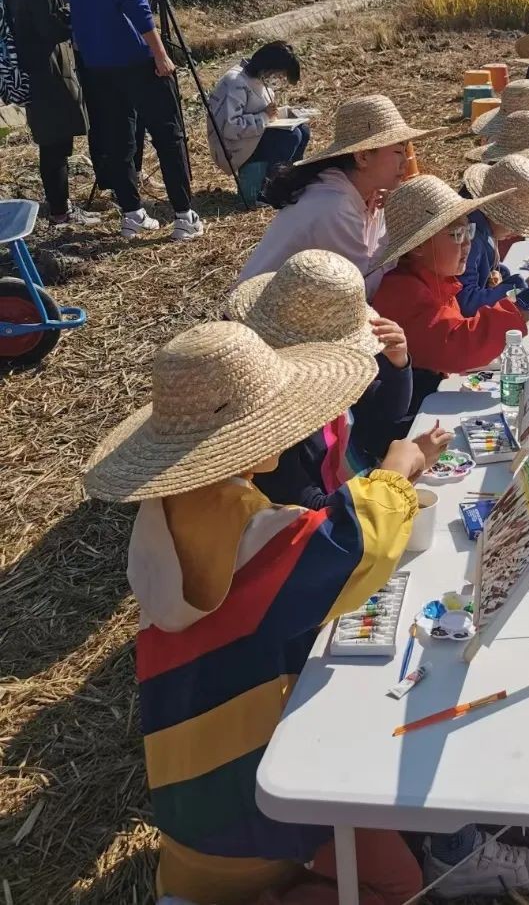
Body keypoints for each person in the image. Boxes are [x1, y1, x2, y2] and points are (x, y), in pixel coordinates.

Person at [83, 320, 428, 905]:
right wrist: (393, 477)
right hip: (252, 800)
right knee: (399, 885)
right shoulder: (248, 531)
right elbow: (348, 548)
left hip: (190, 788)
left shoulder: (171, 513)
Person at [227, 249, 450, 505]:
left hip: (365, 487)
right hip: (356, 514)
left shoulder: (330, 384)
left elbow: (382, 414)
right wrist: (397, 473)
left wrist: (398, 364)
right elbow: (315, 514)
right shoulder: (276, 427)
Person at [52, 0, 202, 241]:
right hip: (133, 51)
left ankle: (132, 213)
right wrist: (159, 52)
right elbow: (132, 0)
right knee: (168, 132)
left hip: (94, 55)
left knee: (119, 136)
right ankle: (184, 216)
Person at [236, 95, 441, 296]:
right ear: (362, 157)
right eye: (398, 152)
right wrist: (398, 227)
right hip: (262, 319)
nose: (406, 162)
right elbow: (359, 291)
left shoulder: (370, 192)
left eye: (406, 151)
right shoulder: (333, 206)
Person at [371, 174, 528, 408]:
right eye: (456, 234)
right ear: (419, 247)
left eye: (469, 231)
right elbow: (459, 345)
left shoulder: (438, 279)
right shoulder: (402, 292)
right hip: (409, 414)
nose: (467, 244)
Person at [1, 0, 100, 227]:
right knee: (54, 144)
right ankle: (61, 212)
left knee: (54, 142)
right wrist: (75, 12)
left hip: (39, 69)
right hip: (45, 72)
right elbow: (51, 28)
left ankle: (61, 207)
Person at [457, 154, 529, 317]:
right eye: (517, 224)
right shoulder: (470, 238)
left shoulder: (482, 227)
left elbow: (490, 266)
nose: (518, 232)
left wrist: (508, 279)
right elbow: (467, 304)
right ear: (499, 215)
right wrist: (528, 294)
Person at [207, 42, 311, 178]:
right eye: (278, 73)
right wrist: (264, 116)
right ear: (269, 67)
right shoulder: (235, 82)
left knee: (303, 130)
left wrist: (285, 113)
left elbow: (261, 112)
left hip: (252, 137)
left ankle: (293, 178)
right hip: (232, 148)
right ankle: (271, 186)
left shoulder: (257, 77)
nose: (278, 78)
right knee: (291, 137)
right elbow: (230, 128)